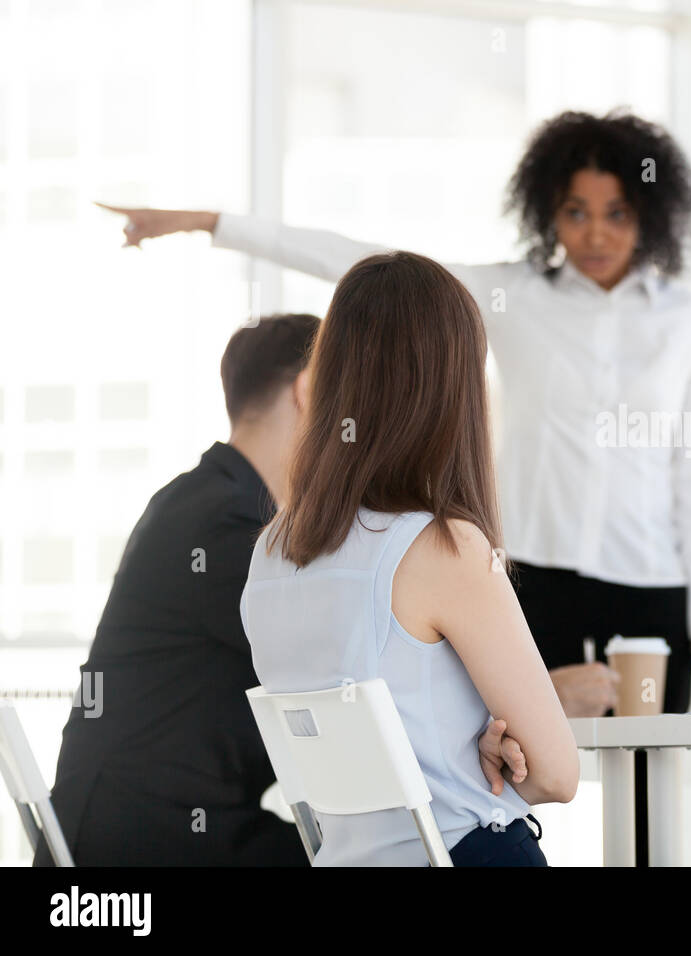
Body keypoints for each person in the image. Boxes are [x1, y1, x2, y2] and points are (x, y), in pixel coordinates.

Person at [99, 108, 691, 863]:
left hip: (648, 582)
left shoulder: (271, 549)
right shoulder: (504, 312)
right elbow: (370, 270)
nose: (595, 232)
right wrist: (213, 222)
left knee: (645, 806)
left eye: (618, 213)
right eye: (575, 211)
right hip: (534, 578)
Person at [241, 250, 580, 867]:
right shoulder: (444, 548)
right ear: (454, 388)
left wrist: (462, 746)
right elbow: (557, 777)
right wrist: (486, 759)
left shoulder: (269, 556)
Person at [35, 314, 321, 866]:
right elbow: (332, 647)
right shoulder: (224, 522)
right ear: (309, 392)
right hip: (137, 838)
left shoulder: (202, 499)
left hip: (144, 822)